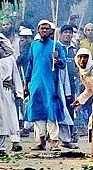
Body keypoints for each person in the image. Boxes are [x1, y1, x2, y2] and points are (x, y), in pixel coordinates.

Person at [24, 20, 67, 151]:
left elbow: (63, 64)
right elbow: (30, 65)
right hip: (36, 84)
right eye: (42, 29)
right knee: (37, 112)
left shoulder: (56, 46)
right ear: (38, 30)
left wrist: (57, 59)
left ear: (51, 31)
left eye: (47, 29)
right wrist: (26, 83)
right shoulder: (34, 45)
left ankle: (54, 141)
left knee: (51, 112)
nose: (44, 31)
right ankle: (40, 141)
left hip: (50, 85)